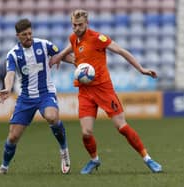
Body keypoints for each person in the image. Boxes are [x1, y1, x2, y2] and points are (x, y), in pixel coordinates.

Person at [49, 9, 162, 174]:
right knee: (86, 132)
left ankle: (148, 159)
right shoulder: (73, 38)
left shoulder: (98, 38)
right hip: (85, 91)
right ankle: (94, 160)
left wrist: (141, 69)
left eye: (80, 25)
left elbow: (121, 51)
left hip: (103, 89)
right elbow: (69, 52)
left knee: (121, 127)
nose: (76, 28)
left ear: (87, 23)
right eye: (74, 25)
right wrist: (58, 57)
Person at [0, 18, 74, 175]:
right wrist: (7, 88)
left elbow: (62, 55)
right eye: (24, 35)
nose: (28, 37)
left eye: (30, 33)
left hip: (45, 93)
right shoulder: (13, 54)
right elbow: (10, 73)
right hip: (26, 97)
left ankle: (64, 151)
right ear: (18, 36)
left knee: (52, 116)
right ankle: (4, 166)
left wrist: (77, 62)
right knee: (13, 136)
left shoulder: (43, 44)